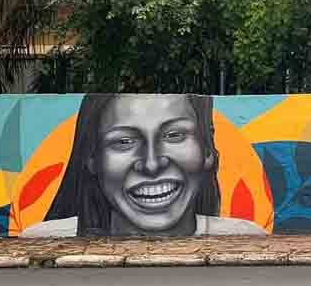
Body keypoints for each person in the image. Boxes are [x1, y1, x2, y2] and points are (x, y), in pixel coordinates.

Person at [21, 94, 266, 237]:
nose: (151, 164)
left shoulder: (247, 236)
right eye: (124, 141)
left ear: (207, 151)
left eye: (174, 135)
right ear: (92, 159)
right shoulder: (42, 238)